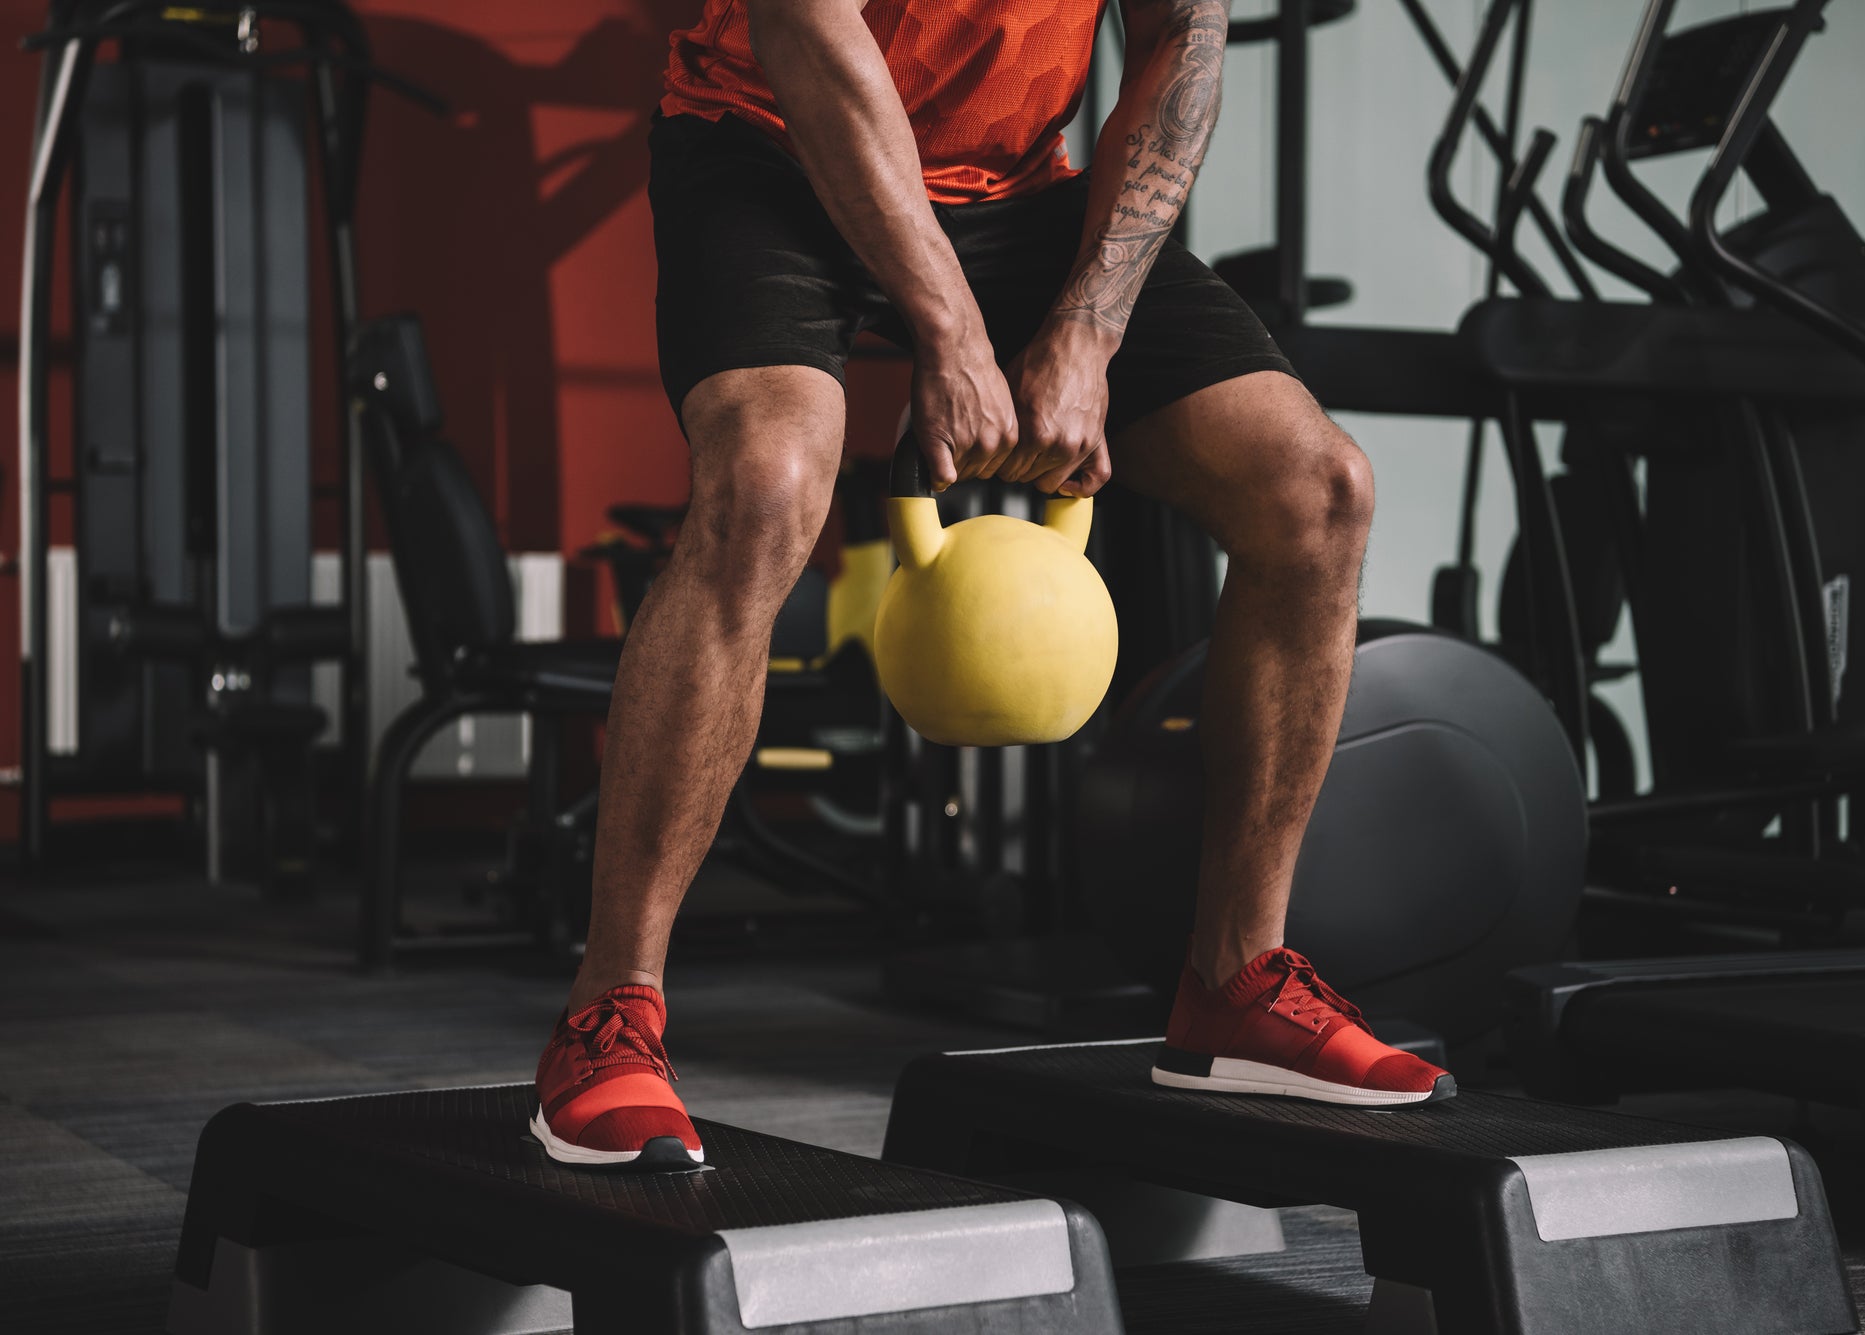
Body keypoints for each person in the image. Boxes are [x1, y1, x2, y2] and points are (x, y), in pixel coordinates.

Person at [530, 0, 1454, 1170]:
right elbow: (804, 31)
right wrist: (949, 333)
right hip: (767, 145)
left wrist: (1087, 329)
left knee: (1317, 490)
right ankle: (609, 1017)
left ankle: (1234, 986)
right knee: (766, 482)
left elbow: (1181, 38)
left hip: (1016, 192)